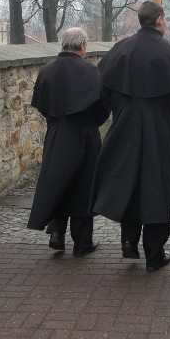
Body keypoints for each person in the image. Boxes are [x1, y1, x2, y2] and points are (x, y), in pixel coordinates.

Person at [90, 1, 170, 273]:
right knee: (158, 185)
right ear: (159, 20)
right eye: (166, 18)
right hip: (159, 127)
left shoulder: (120, 49)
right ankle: (154, 253)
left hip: (124, 125)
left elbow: (103, 89)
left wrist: (122, 108)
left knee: (129, 181)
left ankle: (128, 239)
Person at [27, 28, 108, 257]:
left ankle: (56, 234)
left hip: (56, 133)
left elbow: (41, 104)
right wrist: (88, 123)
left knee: (57, 180)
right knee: (84, 187)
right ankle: (83, 242)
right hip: (84, 135)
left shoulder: (46, 71)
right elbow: (102, 108)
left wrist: (56, 121)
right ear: (82, 44)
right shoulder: (92, 72)